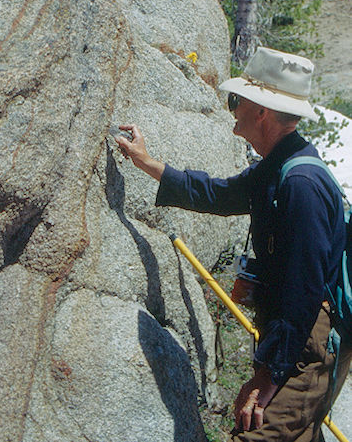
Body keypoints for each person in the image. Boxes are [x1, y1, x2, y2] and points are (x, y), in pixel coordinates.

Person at [116, 46, 350, 442]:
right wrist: (147, 163)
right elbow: (220, 195)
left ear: (261, 111)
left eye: (238, 99)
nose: (233, 108)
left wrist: (270, 374)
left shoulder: (300, 185)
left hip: (307, 341)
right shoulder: (278, 166)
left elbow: (302, 292)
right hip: (296, 337)